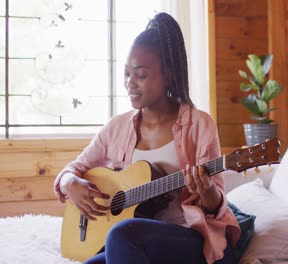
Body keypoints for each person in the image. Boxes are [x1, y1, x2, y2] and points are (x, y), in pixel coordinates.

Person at [53, 12, 240, 264]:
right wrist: (68, 183)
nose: (130, 83)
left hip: (192, 238)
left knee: (123, 234)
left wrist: (205, 190)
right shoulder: (116, 128)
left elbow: (215, 205)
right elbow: (72, 170)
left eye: (140, 75)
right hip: (139, 243)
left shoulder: (199, 124)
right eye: (126, 73)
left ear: (169, 74)